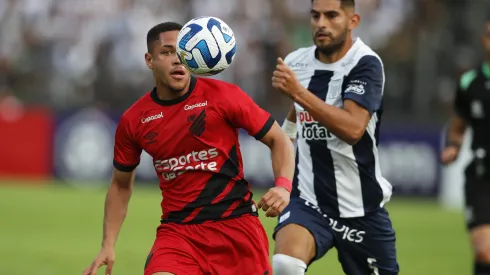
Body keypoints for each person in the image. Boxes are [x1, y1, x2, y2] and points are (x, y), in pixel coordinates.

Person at [82, 22, 295, 275]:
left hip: (236, 228)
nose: (177, 60)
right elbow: (120, 184)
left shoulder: (224, 96)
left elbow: (279, 139)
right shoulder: (134, 120)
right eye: (167, 52)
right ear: (149, 60)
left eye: (182, 52)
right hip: (178, 234)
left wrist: (283, 186)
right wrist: (108, 244)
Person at [270, 0, 399, 274]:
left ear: (353, 21)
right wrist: (285, 139)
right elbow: (296, 113)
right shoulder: (297, 62)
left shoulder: (365, 64)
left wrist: (298, 93)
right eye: (315, 16)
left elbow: (353, 129)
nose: (321, 24)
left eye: (331, 16)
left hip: (361, 209)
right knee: (285, 264)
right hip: (309, 201)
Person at [441, 19, 490, 275]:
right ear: (484, 41)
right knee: (484, 250)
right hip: (481, 177)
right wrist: (453, 146)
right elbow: (459, 124)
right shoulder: (470, 82)